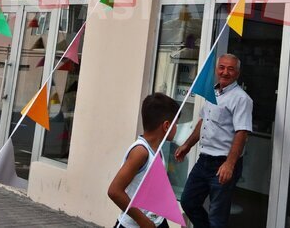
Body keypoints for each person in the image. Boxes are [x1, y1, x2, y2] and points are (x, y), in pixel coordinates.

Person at [175, 53, 252, 228]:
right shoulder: (213, 92)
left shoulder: (241, 99)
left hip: (223, 163)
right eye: (222, 67)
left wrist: (229, 164)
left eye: (230, 69)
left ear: (237, 73)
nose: (225, 72)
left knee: (217, 217)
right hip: (204, 160)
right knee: (188, 201)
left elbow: (242, 133)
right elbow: (204, 121)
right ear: (216, 70)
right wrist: (187, 145)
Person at [108, 93, 180, 228]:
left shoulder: (157, 149)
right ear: (166, 126)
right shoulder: (140, 152)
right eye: (176, 124)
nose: (177, 128)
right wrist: (142, 220)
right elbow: (114, 191)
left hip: (157, 221)